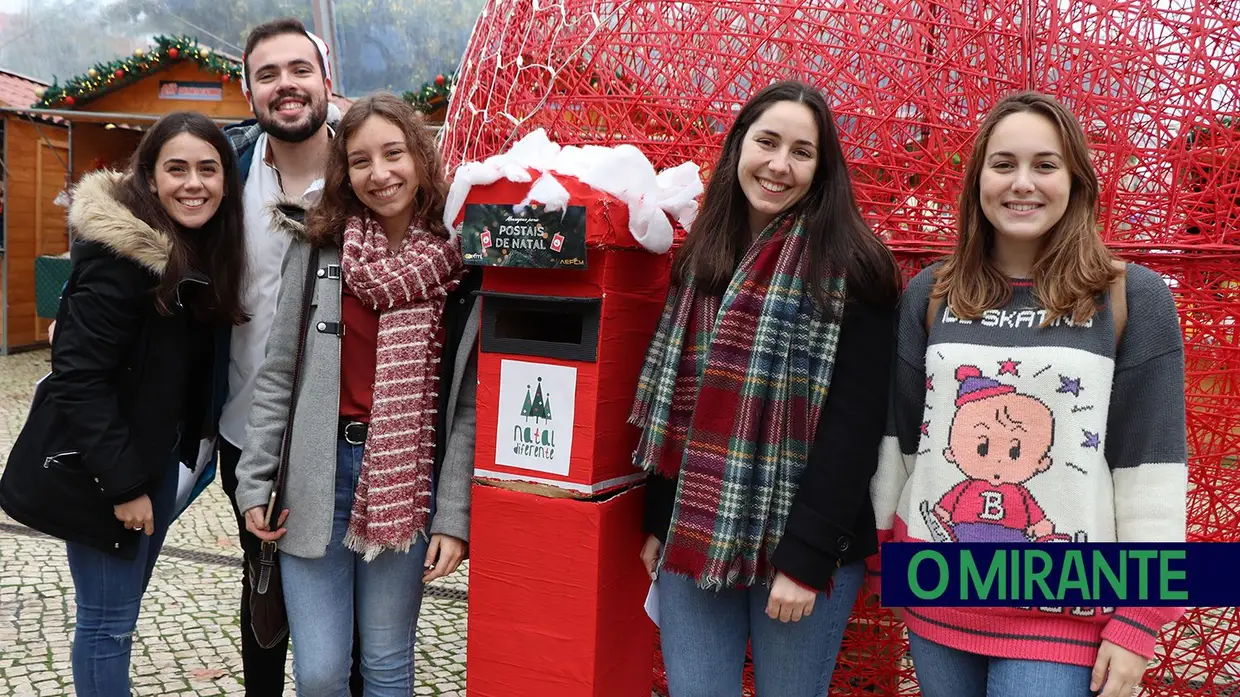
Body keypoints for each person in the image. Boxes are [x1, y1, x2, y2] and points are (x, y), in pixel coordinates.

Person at [867, 91, 1187, 697]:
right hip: (940, 596)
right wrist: (888, 555)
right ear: (978, 179)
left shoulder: (1130, 297)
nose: (1022, 183)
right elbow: (901, 440)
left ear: (1075, 181)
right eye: (1003, 163)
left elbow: (1151, 463)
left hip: (1066, 612)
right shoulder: (932, 293)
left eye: (1045, 165)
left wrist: (1139, 620)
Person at [631, 80, 901, 697]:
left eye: (802, 152)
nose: (779, 165)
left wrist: (803, 560)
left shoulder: (856, 266)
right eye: (767, 142)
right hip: (698, 527)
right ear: (738, 148)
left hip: (805, 540)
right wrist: (659, 516)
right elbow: (681, 404)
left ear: (822, 167)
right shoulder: (702, 253)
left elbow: (853, 431)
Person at [235, 92, 480, 696]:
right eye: (361, 160)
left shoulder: (463, 263)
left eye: (393, 153)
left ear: (421, 157)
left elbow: (469, 405)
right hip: (314, 481)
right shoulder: (320, 245)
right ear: (344, 169)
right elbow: (278, 375)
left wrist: (454, 516)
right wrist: (255, 483)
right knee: (319, 674)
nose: (380, 173)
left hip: (407, 483)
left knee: (387, 663)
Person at [0, 111, 247, 696]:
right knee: (107, 626)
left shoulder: (196, 249)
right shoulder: (120, 260)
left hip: (155, 463)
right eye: (177, 168)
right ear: (150, 177)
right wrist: (124, 486)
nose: (194, 183)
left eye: (208, 169)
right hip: (106, 472)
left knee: (119, 614)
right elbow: (78, 378)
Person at [213, 18, 345, 694]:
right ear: (250, 90)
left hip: (348, 431)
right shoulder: (226, 172)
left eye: (299, 69)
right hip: (246, 427)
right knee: (262, 587)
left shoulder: (371, 171)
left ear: (327, 80)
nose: (285, 85)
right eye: (267, 74)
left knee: (344, 603)